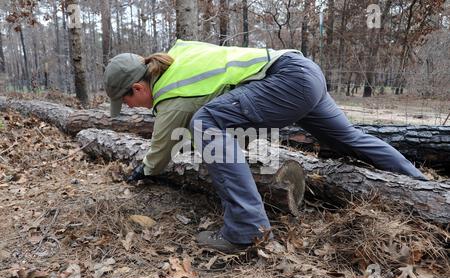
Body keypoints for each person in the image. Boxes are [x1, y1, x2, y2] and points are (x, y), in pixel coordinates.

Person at [104, 40, 426, 254]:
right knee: (348, 137)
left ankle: (246, 229)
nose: (130, 108)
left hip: (286, 80)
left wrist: (143, 170)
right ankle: (420, 185)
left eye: (127, 102)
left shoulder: (171, 92)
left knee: (206, 122)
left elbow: (161, 151)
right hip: (303, 72)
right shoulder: (179, 56)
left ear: (137, 86)